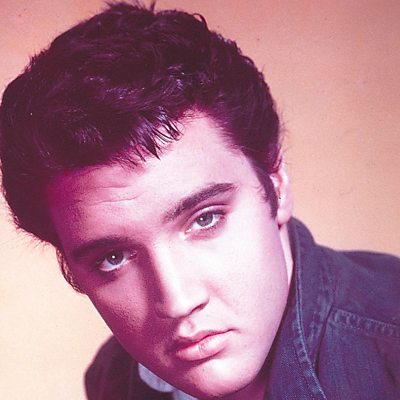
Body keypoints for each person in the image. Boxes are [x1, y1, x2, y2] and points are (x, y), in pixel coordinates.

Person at [0, 2, 399, 399]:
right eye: (113, 258)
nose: (178, 302)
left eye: (205, 219)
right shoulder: (115, 378)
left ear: (276, 182)